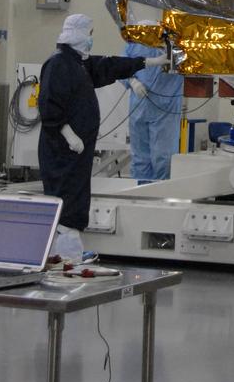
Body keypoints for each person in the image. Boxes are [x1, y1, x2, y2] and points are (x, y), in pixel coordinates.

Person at [37, 14, 165, 254]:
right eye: (90, 34)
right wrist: (68, 134)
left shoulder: (78, 63)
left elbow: (108, 66)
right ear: (79, 35)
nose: (91, 39)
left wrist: (147, 63)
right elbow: (49, 106)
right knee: (66, 198)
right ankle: (67, 253)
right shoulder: (59, 64)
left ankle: (67, 251)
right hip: (63, 150)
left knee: (75, 195)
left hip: (76, 151)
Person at [122, 38, 184, 181]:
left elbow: (190, 66)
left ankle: (161, 196)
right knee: (140, 159)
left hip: (165, 109)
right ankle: (140, 195)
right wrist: (133, 81)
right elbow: (121, 67)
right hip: (139, 108)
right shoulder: (133, 45)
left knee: (164, 159)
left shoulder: (174, 46)